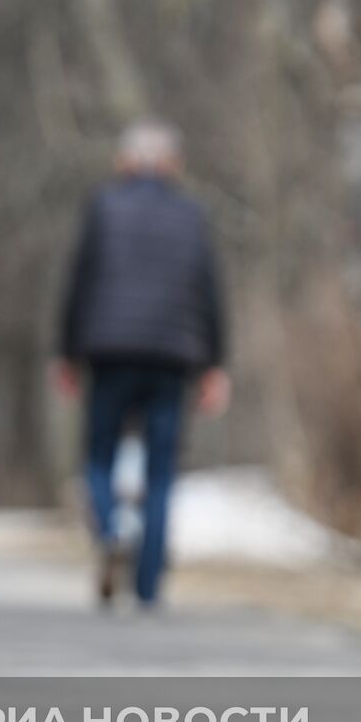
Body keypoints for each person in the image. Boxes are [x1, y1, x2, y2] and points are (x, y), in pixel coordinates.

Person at [55, 120, 230, 608]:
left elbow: (80, 282)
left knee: (99, 455)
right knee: (161, 470)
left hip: (108, 351)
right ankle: (149, 585)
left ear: (126, 162)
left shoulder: (103, 207)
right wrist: (215, 363)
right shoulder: (192, 213)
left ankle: (109, 529)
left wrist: (67, 352)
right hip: (172, 357)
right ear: (173, 164)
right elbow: (209, 292)